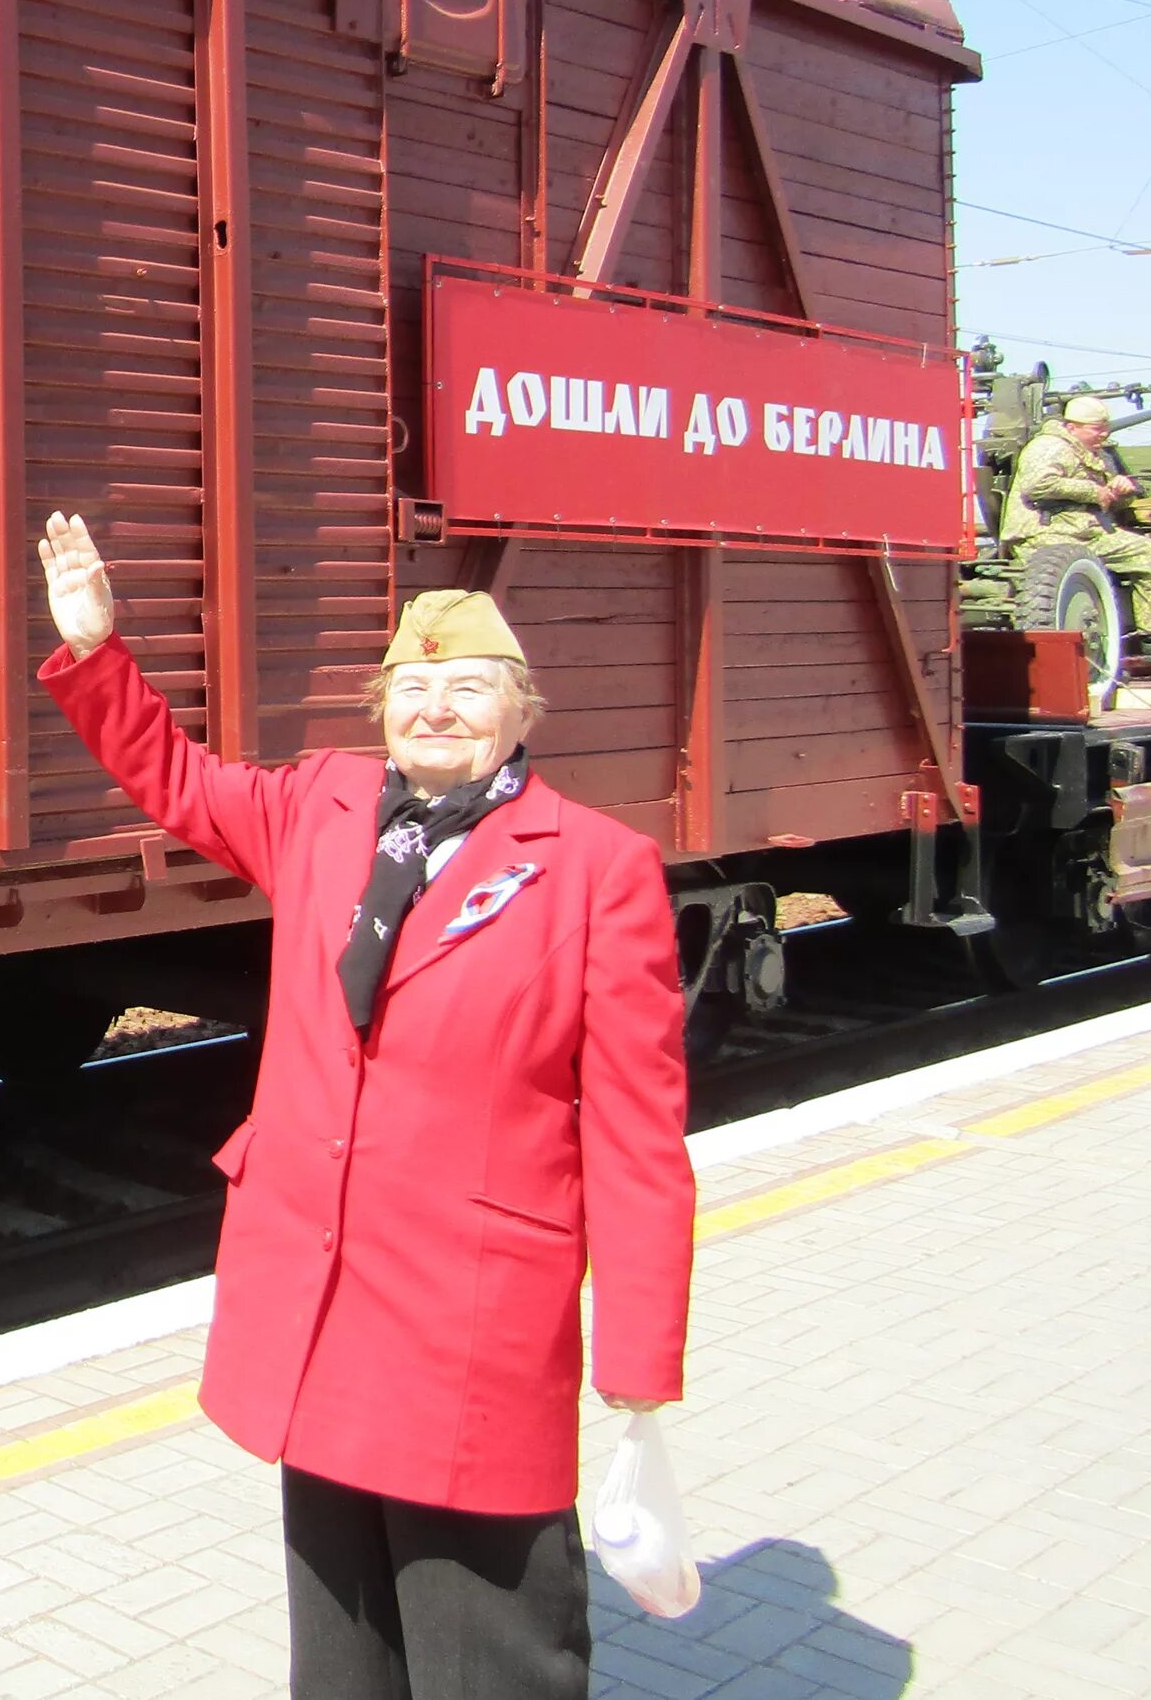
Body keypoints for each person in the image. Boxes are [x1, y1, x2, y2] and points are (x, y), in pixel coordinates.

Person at [34, 517, 692, 1699]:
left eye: (468, 688)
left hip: (470, 1320)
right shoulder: (321, 808)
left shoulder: (597, 869)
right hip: (317, 1298)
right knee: (340, 1656)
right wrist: (97, 650)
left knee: (491, 1652)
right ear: (382, 708)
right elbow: (177, 782)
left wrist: (638, 1362)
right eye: (413, 687)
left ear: (522, 713)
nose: (435, 708)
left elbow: (637, 1139)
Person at [1002, 395, 1151, 663]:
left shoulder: (1097, 454)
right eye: (1096, 428)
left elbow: (1110, 500)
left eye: (1105, 427)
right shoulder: (1049, 447)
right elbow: (1038, 485)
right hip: (1046, 534)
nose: (1103, 434)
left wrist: (1121, 489)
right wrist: (1094, 491)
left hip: (1088, 532)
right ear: (1072, 427)